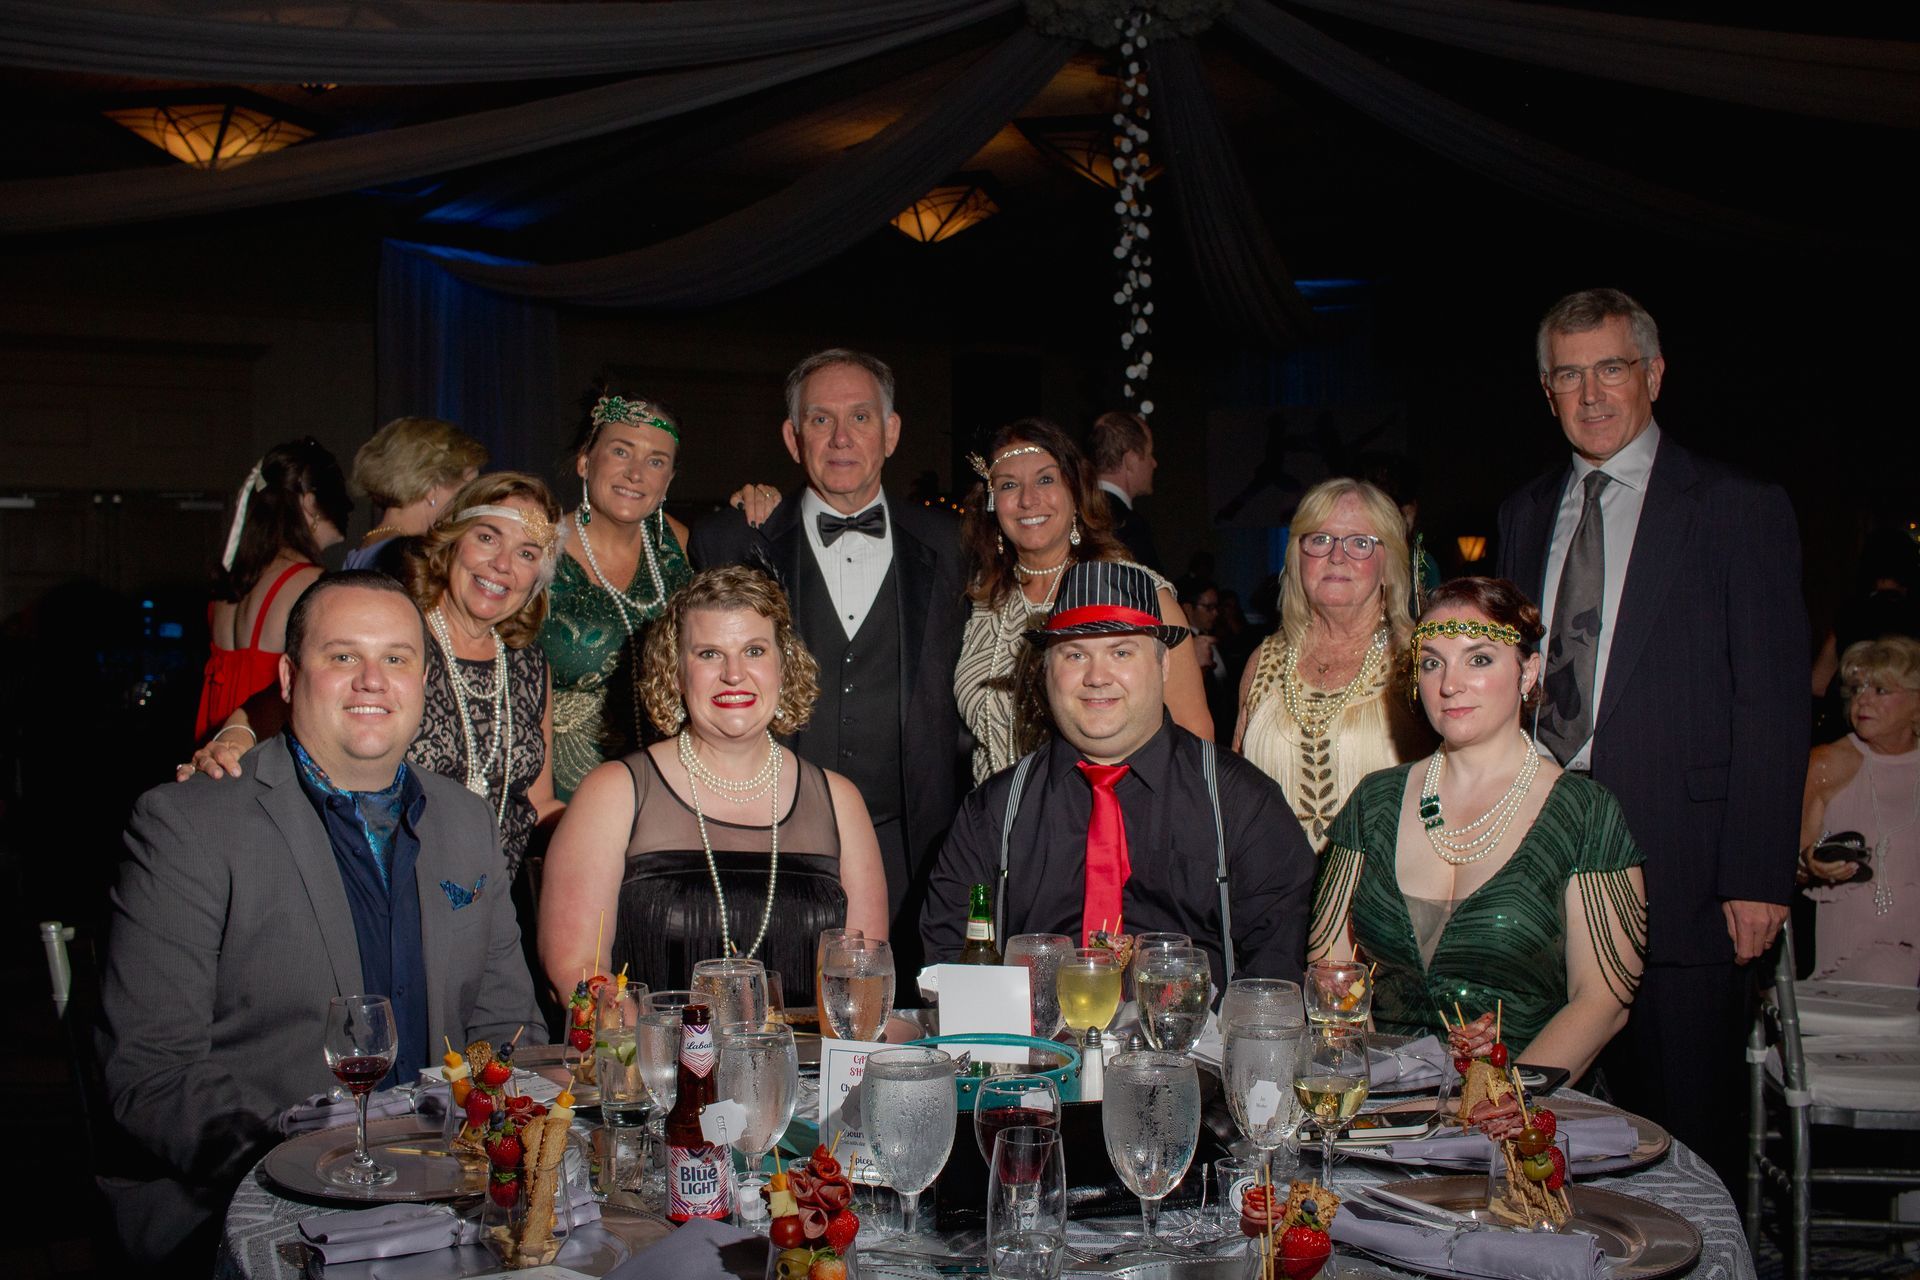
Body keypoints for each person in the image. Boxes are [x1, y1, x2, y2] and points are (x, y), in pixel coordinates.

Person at [101, 571, 542, 1266]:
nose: (372, 680)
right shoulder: (189, 824)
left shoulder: (465, 821)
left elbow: (508, 1030)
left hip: (448, 1200)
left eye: (396, 658)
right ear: (287, 677)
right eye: (343, 656)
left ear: (424, 681)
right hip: (249, 1205)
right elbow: (151, 1074)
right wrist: (315, 1161)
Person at [1494, 287, 1806, 1184]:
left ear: (1654, 375)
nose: (1591, 394)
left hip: (1687, 872)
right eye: (1569, 375)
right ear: (1546, 390)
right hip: (1537, 865)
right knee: (1533, 1131)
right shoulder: (1523, 512)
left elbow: (1772, 700)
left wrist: (1756, 874)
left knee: (1685, 1138)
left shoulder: (1736, 507)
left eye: (1611, 369)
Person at [689, 349, 968, 982]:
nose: (841, 438)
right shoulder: (731, 540)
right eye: (820, 420)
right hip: (767, 836)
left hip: (913, 845)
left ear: (891, 432)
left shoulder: (952, 545)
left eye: (861, 417)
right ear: (793, 439)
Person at [1311, 577, 1647, 1081]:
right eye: (1432, 663)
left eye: (1480, 659)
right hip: (1383, 1101)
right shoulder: (1373, 802)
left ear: (1527, 672)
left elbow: (1604, 1001)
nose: (1450, 684)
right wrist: (1372, 1088)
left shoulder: (1585, 814)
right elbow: (1329, 970)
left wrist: (1504, 1102)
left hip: (1527, 1109)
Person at [924, 561, 1315, 990]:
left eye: (1121, 652)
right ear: (1047, 670)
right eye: (1075, 655)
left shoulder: (1242, 803)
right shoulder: (993, 813)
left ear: (1163, 666)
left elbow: (1275, 977)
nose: (1097, 677)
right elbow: (949, 965)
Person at [539, 566, 887, 1004]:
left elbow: (865, 982)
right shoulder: (613, 793)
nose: (734, 673)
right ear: (675, 672)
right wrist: (645, 1037)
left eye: (754, 650)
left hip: (808, 1051)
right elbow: (576, 970)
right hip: (652, 1048)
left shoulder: (840, 801)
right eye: (709, 654)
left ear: (783, 666)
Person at [189, 474, 565, 877]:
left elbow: (537, 803)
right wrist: (232, 741)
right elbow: (278, 699)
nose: (503, 565)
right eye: (488, 538)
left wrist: (599, 826)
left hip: (494, 894)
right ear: (453, 539)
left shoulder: (527, 663)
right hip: (386, 884)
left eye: (527, 554)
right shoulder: (394, 634)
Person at [954, 419, 1212, 783]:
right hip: (991, 815)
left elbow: (1192, 735)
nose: (1028, 499)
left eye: (1046, 480)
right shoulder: (978, 599)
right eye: (1009, 485)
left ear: (1075, 490)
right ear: (992, 502)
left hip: (1104, 816)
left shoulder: (1137, 593)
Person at [1234, 478, 1431, 850]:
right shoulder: (1264, 661)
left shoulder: (1420, 660)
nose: (1337, 557)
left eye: (1360, 542)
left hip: (1382, 882)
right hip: (1271, 883)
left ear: (1389, 564)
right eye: (1320, 539)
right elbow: (1235, 796)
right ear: (1297, 556)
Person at [540, 391, 695, 801]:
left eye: (656, 461)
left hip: (672, 793)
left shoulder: (684, 547)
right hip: (566, 800)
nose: (636, 474)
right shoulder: (536, 551)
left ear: (668, 481)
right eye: (621, 452)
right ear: (585, 461)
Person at [191, 437, 351, 745]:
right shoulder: (312, 583)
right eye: (339, 497)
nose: (347, 509)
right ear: (310, 502)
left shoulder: (232, 583)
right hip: (262, 744)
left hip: (217, 746)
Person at [1798, 636, 1920, 983]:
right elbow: (1779, 868)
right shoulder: (1826, 765)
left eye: (1880, 690)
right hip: (1850, 957)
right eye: (1857, 689)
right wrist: (1810, 864)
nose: (1862, 699)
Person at [345, 415, 488, 576]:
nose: (469, 502)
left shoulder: (366, 547)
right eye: (466, 489)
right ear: (433, 487)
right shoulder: (411, 558)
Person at [1087, 409, 1163, 573]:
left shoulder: (1074, 513)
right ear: (1130, 460)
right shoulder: (1130, 526)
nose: (1154, 463)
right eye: (1149, 454)